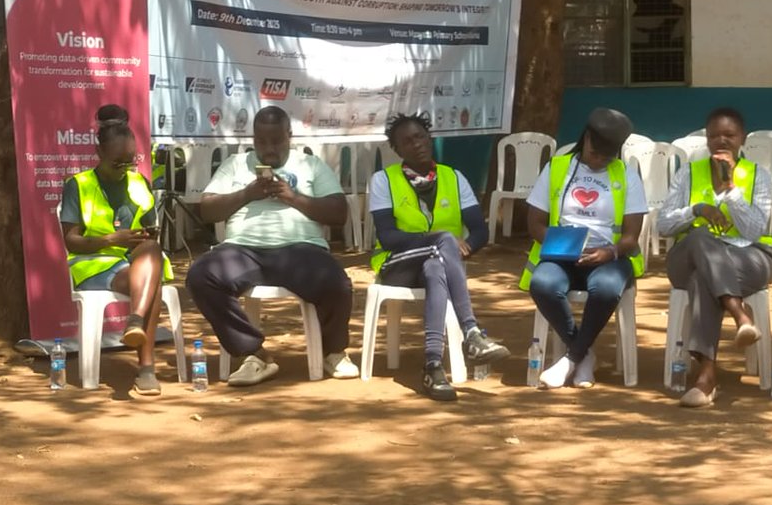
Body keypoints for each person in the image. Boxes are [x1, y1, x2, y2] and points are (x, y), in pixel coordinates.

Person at [186, 106, 358, 386]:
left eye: (276, 141)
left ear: (289, 136)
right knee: (201, 277)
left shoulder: (310, 165)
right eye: (261, 142)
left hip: (300, 249)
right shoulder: (235, 164)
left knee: (337, 283)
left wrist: (293, 197)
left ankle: (333, 352)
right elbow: (207, 211)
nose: (268, 149)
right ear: (253, 139)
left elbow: (339, 213)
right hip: (243, 249)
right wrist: (247, 193)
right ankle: (254, 355)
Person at [369, 112, 509, 400]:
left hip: (436, 263)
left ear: (430, 138)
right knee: (443, 241)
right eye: (407, 142)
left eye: (420, 136)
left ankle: (433, 366)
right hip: (397, 265)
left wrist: (464, 248)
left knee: (436, 268)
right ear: (397, 151)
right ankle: (471, 332)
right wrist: (441, 242)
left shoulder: (453, 178)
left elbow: (480, 230)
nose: (416, 144)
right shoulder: (384, 180)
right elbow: (387, 237)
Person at [657, 107, 772, 407]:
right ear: (706, 139)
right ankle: (739, 314)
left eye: (729, 135)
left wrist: (731, 192)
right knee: (700, 237)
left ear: (742, 138)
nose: (721, 141)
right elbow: (664, 224)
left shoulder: (758, 176)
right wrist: (696, 210)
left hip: (747, 258)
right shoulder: (688, 173)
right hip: (687, 256)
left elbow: (753, 230)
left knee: (703, 278)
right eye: (714, 135)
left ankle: (706, 376)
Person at [521, 107, 645, 389]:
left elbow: (631, 236)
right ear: (585, 139)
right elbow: (535, 224)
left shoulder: (627, 175)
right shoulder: (557, 168)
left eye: (607, 156)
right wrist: (563, 246)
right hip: (563, 254)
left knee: (606, 288)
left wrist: (610, 252)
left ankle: (571, 357)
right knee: (542, 283)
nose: (599, 160)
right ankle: (583, 353)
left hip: (609, 257)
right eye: (594, 153)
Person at [60, 104, 171, 396]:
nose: (125, 168)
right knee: (151, 285)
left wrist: (144, 235)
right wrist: (113, 239)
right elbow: (70, 241)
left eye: (130, 161)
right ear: (99, 154)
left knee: (150, 247)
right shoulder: (78, 185)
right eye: (117, 162)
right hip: (93, 263)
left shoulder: (139, 182)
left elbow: (149, 228)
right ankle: (146, 369)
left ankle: (134, 321)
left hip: (134, 261)